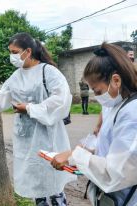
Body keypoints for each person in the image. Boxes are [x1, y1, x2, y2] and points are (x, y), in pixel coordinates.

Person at [0, 32, 76, 206]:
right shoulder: (16, 76)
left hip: (48, 138)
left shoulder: (48, 72)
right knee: (37, 187)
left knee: (53, 186)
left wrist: (29, 108)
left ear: (27, 51)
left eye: (14, 51)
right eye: (10, 52)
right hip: (26, 140)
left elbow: (61, 100)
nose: (12, 56)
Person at [51, 42, 137, 206]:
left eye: (97, 91)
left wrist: (75, 156)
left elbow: (117, 172)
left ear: (116, 80)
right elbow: (109, 143)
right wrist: (84, 151)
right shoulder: (117, 104)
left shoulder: (132, 113)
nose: (97, 97)